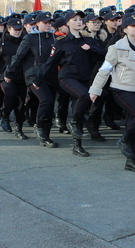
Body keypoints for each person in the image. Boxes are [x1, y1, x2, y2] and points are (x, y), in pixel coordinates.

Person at [90, 13, 135, 172]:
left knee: (134, 122)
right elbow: (104, 70)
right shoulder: (115, 48)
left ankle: (131, 160)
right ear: (125, 28)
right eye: (134, 25)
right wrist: (95, 89)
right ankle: (124, 139)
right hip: (121, 89)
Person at [37, 10, 106, 157]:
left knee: (78, 109)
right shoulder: (61, 43)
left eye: (80, 19)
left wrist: (92, 49)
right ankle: (73, 122)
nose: (79, 22)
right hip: (67, 78)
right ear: (67, 23)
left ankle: (77, 145)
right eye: (74, 20)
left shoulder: (88, 41)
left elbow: (105, 56)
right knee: (84, 96)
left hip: (84, 78)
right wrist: (38, 79)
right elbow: (50, 63)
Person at [5, 11, 60, 148]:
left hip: (50, 75)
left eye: (49, 23)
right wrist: (9, 72)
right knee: (45, 99)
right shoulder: (29, 38)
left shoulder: (53, 37)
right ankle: (39, 127)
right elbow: (18, 57)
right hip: (34, 75)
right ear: (36, 24)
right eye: (44, 23)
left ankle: (46, 136)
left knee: (50, 102)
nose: (47, 25)